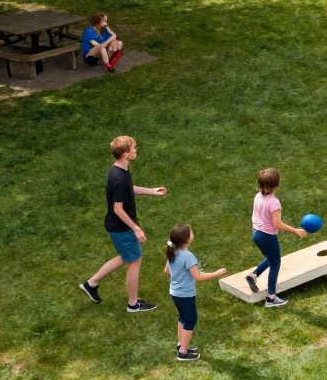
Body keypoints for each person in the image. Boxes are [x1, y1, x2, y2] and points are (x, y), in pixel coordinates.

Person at [79, 136, 167, 312]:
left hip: (116, 226)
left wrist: (152, 191)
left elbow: (129, 188)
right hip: (122, 227)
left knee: (126, 257)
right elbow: (118, 209)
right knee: (135, 259)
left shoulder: (120, 170)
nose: (136, 150)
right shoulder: (118, 178)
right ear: (126, 154)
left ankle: (91, 283)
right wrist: (135, 228)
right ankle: (133, 304)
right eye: (134, 148)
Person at [245, 168, 308, 308]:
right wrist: (295, 231)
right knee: (275, 263)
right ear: (277, 186)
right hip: (267, 236)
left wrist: (255, 230)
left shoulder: (257, 197)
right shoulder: (274, 202)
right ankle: (271, 298)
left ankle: (253, 275)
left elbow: (254, 215)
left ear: (259, 184)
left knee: (270, 258)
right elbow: (277, 224)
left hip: (256, 233)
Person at [164, 224, 227, 361]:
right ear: (187, 239)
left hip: (175, 292)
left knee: (183, 318)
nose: (193, 233)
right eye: (191, 232)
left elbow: (167, 271)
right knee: (190, 320)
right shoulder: (188, 256)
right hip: (185, 294)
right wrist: (216, 273)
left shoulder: (173, 251)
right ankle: (183, 352)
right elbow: (197, 277)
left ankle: (181, 343)